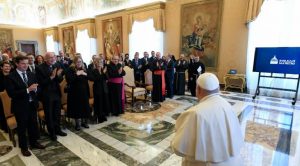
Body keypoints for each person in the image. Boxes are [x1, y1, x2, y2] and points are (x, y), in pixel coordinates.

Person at [171, 73, 243, 166]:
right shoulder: (228, 106)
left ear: (198, 90)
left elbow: (178, 149)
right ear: (218, 89)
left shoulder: (195, 113)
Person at [5, 55, 46, 157]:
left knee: (33, 124)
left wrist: (36, 89)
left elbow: (38, 87)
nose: (25, 65)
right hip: (20, 107)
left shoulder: (31, 74)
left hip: (32, 104)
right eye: (23, 63)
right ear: (17, 64)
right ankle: (24, 147)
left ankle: (34, 142)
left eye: (27, 63)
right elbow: (12, 94)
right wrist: (28, 90)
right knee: (22, 128)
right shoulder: (11, 76)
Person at [36, 52, 67, 141]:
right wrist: (52, 77)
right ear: (45, 59)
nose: (52, 59)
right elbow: (41, 83)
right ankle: (52, 132)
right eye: (50, 57)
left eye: (53, 57)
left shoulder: (55, 66)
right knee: (49, 115)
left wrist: (58, 75)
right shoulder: (39, 68)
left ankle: (58, 130)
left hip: (56, 93)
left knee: (57, 113)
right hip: (47, 95)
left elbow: (59, 80)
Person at [65, 56, 90, 130]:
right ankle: (77, 124)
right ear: (74, 62)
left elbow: (90, 77)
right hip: (74, 92)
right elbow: (69, 80)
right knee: (77, 108)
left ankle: (84, 122)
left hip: (84, 91)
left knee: (84, 107)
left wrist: (86, 74)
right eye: (77, 62)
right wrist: (77, 74)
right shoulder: (70, 69)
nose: (79, 63)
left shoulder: (84, 69)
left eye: (80, 62)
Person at [88, 56, 109, 123]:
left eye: (101, 62)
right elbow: (96, 79)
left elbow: (107, 78)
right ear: (96, 63)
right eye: (99, 62)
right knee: (98, 103)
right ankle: (99, 117)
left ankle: (103, 115)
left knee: (103, 102)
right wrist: (102, 73)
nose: (100, 63)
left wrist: (104, 72)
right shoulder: (94, 71)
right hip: (97, 88)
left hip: (104, 88)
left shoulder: (103, 70)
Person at [0, 62, 11, 133]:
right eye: (6, 66)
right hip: (1, 97)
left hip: (11, 96)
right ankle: (5, 127)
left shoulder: (12, 75)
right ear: (1, 68)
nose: (7, 68)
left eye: (9, 66)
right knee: (2, 112)